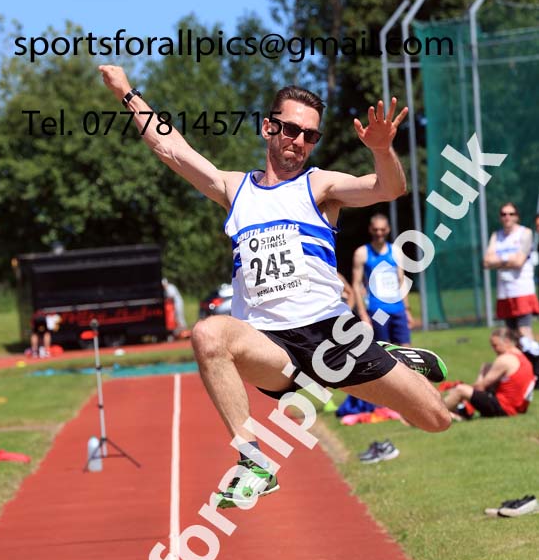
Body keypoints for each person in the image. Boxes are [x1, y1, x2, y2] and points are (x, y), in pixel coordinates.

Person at [99, 66, 451, 507]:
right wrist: (127, 93)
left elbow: (388, 188)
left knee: (437, 419)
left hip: (332, 337)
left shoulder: (319, 185)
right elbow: (171, 148)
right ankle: (253, 464)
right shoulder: (234, 188)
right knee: (208, 332)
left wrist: (381, 149)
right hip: (270, 346)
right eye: (289, 129)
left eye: (309, 135)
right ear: (268, 127)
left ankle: (392, 356)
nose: (298, 141)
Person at [443, 327, 535, 420]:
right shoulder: (522, 358)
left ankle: (436, 414)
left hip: (505, 408)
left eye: (495, 345)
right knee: (465, 391)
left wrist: (482, 372)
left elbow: (480, 387)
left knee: (461, 390)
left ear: (506, 341)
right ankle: (458, 413)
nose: (494, 349)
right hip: (518, 408)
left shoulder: (505, 359)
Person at [352, 213, 413, 345]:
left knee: (407, 350)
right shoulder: (362, 253)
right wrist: (362, 314)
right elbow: (356, 285)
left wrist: (407, 310)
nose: (379, 233)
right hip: (377, 310)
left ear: (388, 229)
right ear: (370, 229)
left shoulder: (396, 251)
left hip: (398, 309)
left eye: (382, 229)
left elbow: (401, 281)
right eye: (376, 229)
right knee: (384, 351)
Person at [483, 202, 539, 340]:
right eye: (504, 214)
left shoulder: (525, 233)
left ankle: (534, 361)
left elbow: (518, 262)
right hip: (504, 292)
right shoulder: (497, 235)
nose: (507, 217)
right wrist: (509, 259)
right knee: (510, 336)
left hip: (521, 290)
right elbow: (486, 262)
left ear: (517, 217)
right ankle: (519, 361)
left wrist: (498, 260)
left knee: (524, 332)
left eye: (511, 214)